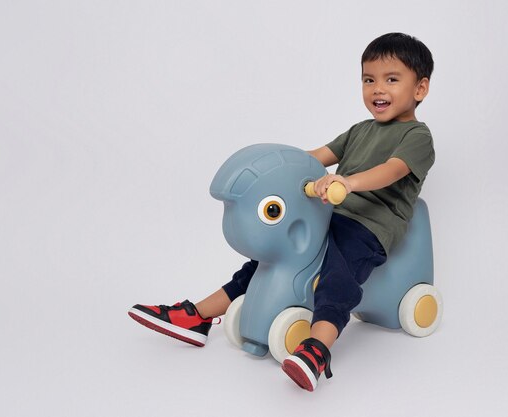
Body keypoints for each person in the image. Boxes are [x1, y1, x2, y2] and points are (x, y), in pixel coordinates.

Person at [128, 32, 435, 392]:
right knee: (269, 259)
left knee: (338, 274)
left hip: (370, 228)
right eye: (369, 80)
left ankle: (318, 348)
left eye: (391, 79)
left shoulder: (416, 136)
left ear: (420, 89)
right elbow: (312, 158)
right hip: (333, 214)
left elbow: (392, 170)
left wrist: (347, 183)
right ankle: (198, 315)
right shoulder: (360, 130)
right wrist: (279, 168)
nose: (377, 89)